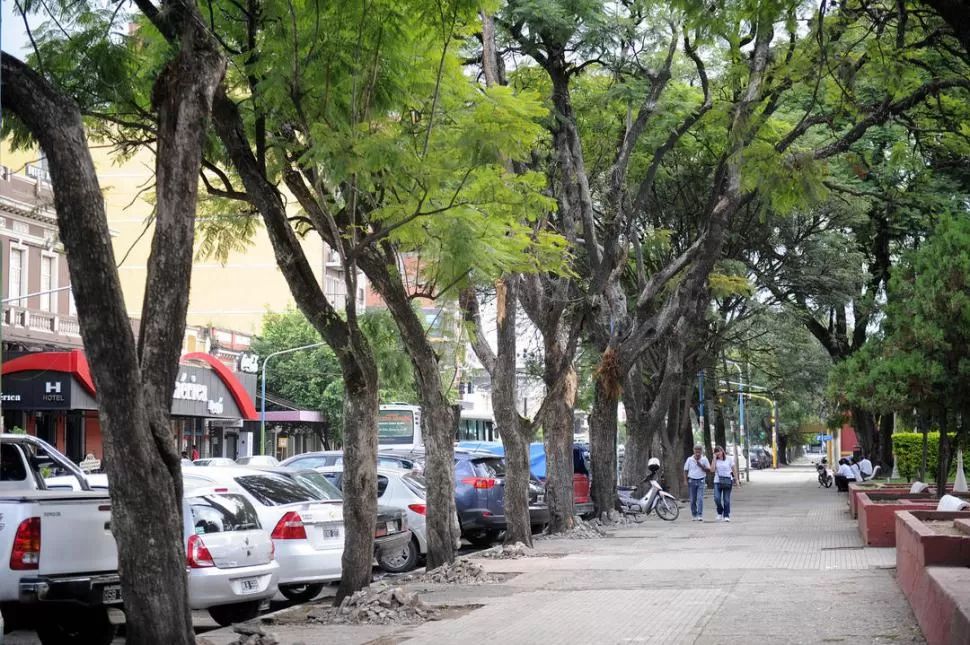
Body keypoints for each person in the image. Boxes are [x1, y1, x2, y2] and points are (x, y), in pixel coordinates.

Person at [684, 445, 711, 522]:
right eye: (696, 450)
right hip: (691, 480)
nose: (697, 452)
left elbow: (708, 470)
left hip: (701, 480)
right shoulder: (689, 459)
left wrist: (701, 466)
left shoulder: (704, 459)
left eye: (699, 450)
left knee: (700, 499)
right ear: (694, 451)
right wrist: (685, 480)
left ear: (701, 451)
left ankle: (700, 515)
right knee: (692, 499)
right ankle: (694, 514)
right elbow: (685, 470)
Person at [712, 446, 739, 522]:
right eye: (716, 452)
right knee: (716, 498)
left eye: (719, 451)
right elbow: (712, 470)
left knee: (726, 499)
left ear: (722, 451)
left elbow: (734, 469)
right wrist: (714, 459)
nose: (718, 453)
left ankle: (726, 515)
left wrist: (736, 480)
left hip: (727, 480)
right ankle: (720, 512)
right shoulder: (715, 460)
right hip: (717, 481)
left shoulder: (729, 459)